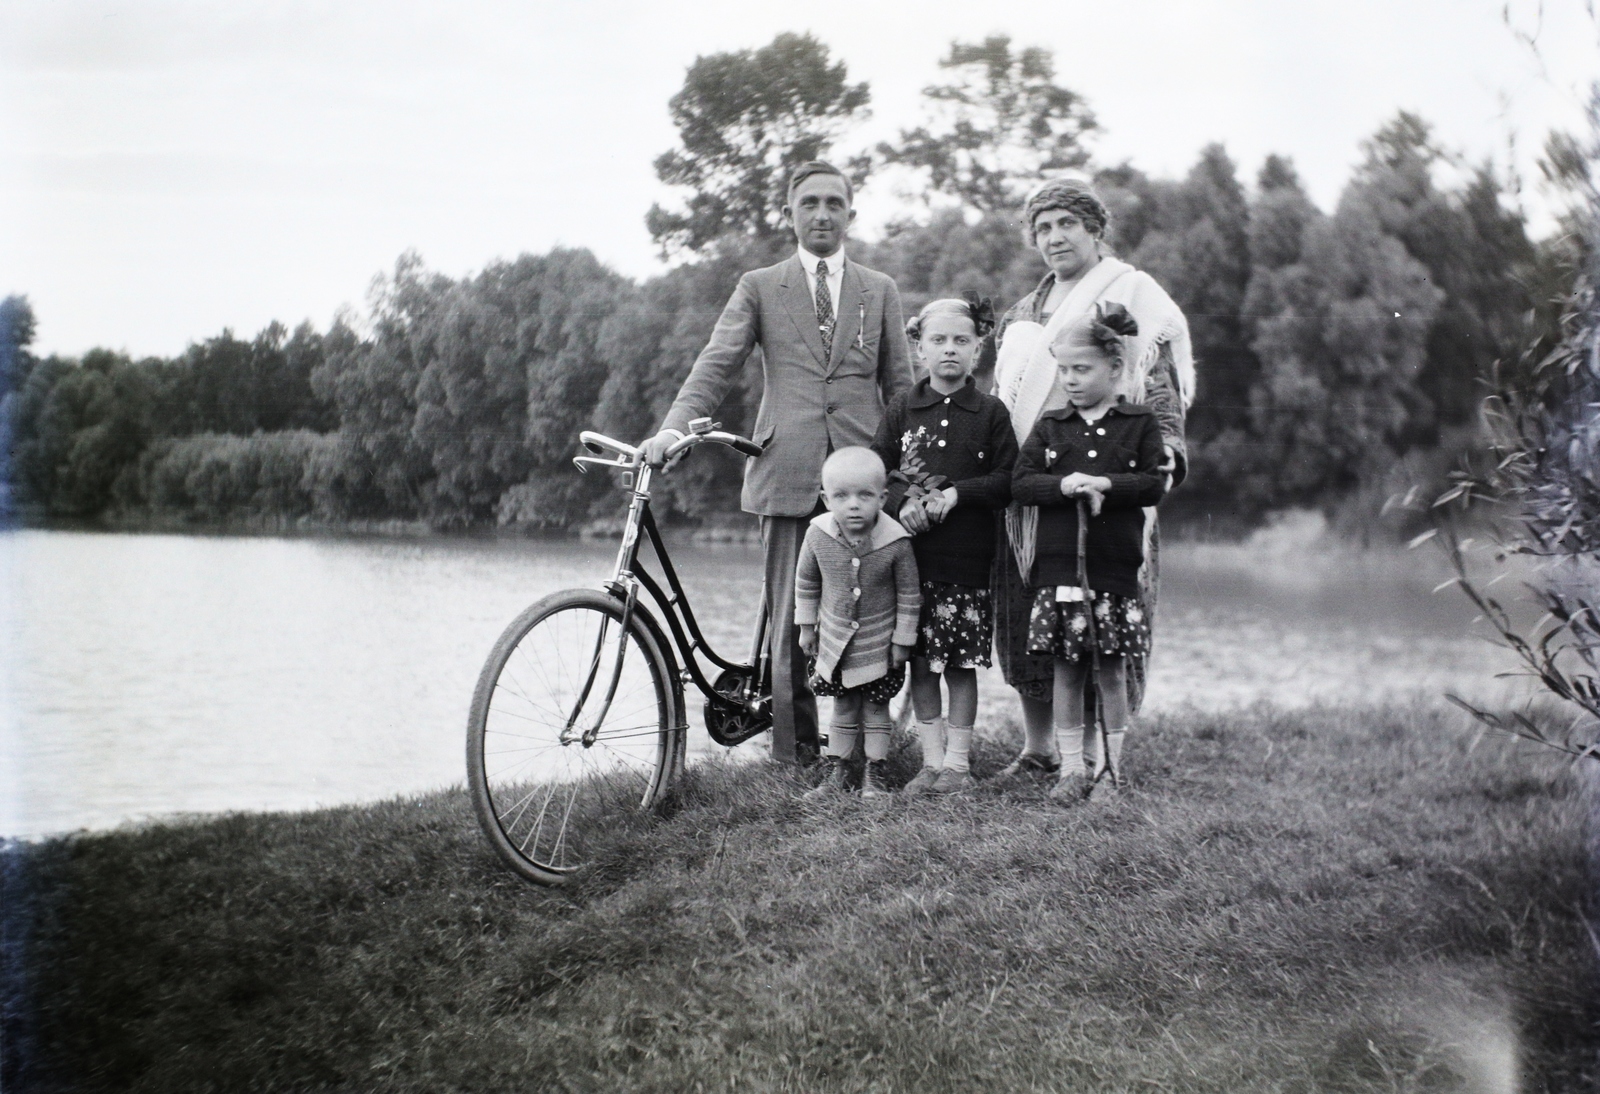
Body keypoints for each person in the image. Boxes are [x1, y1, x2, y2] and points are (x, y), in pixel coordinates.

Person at [640, 162, 914, 764]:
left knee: (873, 611)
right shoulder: (761, 285)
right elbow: (716, 364)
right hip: (786, 470)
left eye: (834, 203)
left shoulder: (880, 288)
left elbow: (902, 389)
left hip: (864, 477)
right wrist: (670, 428)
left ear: (850, 213)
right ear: (788, 214)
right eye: (809, 203)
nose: (822, 214)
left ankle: (869, 751)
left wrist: (911, 476)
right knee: (794, 620)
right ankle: (794, 758)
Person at [991, 176, 1193, 780]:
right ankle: (1040, 749)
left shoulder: (1131, 294)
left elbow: (1158, 382)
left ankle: (1106, 760)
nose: (1054, 237)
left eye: (1066, 223)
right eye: (1043, 227)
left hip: (1111, 489)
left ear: (1094, 227)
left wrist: (1166, 453)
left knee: (1107, 622)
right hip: (1034, 492)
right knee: (1030, 616)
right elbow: (1004, 399)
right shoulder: (1023, 312)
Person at [1012, 302, 1167, 800]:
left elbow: (1152, 484)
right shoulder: (1053, 426)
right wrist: (1064, 486)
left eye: (1082, 369)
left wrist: (1105, 482)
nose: (1070, 380)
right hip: (1057, 570)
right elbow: (1021, 482)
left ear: (1115, 368)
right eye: (1063, 370)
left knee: (1110, 668)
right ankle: (1071, 769)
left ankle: (1111, 772)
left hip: (1113, 568)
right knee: (1066, 668)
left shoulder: (1138, 422)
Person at [871, 294, 1017, 795]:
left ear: (979, 348)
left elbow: (1007, 480)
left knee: (958, 665)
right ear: (920, 348)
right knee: (920, 664)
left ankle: (958, 767)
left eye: (961, 340)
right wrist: (901, 503)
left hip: (967, 563)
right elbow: (879, 472)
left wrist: (958, 493)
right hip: (911, 565)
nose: (949, 349)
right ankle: (930, 764)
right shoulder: (902, 409)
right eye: (938, 340)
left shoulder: (991, 413)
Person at [794, 447, 921, 798]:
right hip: (836, 643)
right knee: (843, 706)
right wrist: (806, 626)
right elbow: (806, 581)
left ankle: (875, 774)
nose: (853, 505)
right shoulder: (818, 534)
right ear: (825, 498)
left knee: (876, 709)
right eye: (841, 496)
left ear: (882, 497)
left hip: (880, 643)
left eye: (865, 495)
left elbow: (910, 595)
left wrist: (902, 640)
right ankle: (838, 769)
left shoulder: (895, 542)